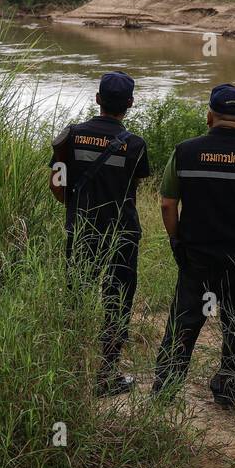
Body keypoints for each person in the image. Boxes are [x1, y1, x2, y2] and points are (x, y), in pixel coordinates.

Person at [153, 83, 235, 408]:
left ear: (209, 116)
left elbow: (168, 204)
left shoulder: (185, 151)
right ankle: (226, 393)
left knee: (184, 322)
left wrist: (176, 239)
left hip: (197, 256)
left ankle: (166, 388)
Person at [49, 72, 150, 398]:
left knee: (76, 292)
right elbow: (132, 187)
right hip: (121, 231)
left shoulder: (72, 136)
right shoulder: (134, 144)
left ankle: (69, 367)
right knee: (117, 299)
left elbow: (57, 182)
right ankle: (106, 374)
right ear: (130, 104)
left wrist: (75, 208)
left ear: (97, 99)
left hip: (81, 228)